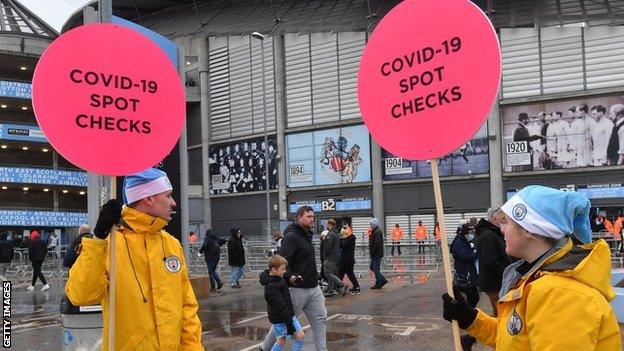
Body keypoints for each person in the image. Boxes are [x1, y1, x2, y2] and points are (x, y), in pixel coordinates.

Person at [442, 185, 621, 350]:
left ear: (530, 230)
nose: (502, 230)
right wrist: (471, 319)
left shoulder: (558, 294)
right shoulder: (535, 280)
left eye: (507, 223)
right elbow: (513, 338)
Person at [65, 168, 203, 350]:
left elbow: (187, 308)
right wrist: (98, 238)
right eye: (168, 196)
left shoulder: (171, 245)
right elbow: (81, 296)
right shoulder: (110, 243)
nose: (174, 203)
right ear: (149, 198)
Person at [260, 206, 328, 351]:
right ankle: (265, 348)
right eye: (309, 216)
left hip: (313, 287)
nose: (312, 219)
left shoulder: (306, 235)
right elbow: (282, 262)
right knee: (284, 323)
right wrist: (290, 277)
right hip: (297, 290)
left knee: (321, 319)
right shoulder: (291, 237)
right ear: (299, 217)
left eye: (313, 217)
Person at [259, 254, 305, 351]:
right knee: (281, 340)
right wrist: (289, 324)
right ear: (273, 269)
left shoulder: (278, 278)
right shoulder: (271, 287)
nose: (285, 271)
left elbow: (283, 285)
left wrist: (296, 280)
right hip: (281, 318)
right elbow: (280, 306)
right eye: (282, 269)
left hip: (288, 315)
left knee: (299, 336)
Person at [474, 209, 510, 317]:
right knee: (501, 313)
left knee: (500, 312)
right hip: (495, 283)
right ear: (494, 219)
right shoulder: (489, 235)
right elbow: (490, 261)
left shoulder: (493, 234)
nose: (505, 221)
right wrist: (508, 273)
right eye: (503, 218)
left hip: (497, 281)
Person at [321, 219, 346, 297]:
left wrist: (324, 255)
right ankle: (330, 290)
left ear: (329, 224)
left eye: (327, 224)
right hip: (335, 257)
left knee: (327, 273)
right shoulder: (336, 234)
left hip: (330, 257)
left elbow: (328, 247)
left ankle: (342, 284)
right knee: (330, 273)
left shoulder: (330, 234)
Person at [338, 225, 360, 294]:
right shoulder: (350, 238)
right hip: (347, 259)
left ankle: (356, 287)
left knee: (343, 273)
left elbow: (342, 245)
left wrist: (341, 238)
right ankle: (356, 286)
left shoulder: (350, 238)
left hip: (347, 259)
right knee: (346, 273)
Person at [369, 218, 387, 290]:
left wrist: (373, 252)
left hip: (376, 254)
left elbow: (377, 244)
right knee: (373, 267)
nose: (370, 225)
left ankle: (378, 283)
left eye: (371, 224)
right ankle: (382, 280)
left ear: (373, 224)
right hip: (375, 254)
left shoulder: (377, 232)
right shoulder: (375, 231)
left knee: (376, 268)